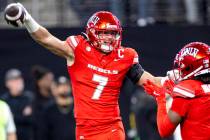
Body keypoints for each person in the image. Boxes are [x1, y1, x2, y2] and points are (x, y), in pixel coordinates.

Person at [4, 3, 167, 140]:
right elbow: (47, 39)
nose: (109, 38)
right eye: (104, 33)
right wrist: (27, 19)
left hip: (111, 128)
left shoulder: (125, 56)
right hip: (85, 130)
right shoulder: (78, 48)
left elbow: (150, 81)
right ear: (92, 32)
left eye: (112, 34)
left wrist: (175, 78)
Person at [143, 42, 210, 140]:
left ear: (193, 68)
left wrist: (160, 98)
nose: (181, 71)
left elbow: (164, 130)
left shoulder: (187, 90)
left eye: (184, 68)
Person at [1, 68, 34, 140]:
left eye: (20, 79)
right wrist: (22, 116)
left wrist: (14, 116)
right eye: (15, 80)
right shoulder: (4, 100)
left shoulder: (30, 97)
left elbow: (33, 119)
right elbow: (8, 121)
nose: (19, 82)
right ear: (7, 83)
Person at [41, 76, 75, 140]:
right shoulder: (49, 109)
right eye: (60, 86)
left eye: (66, 85)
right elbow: (44, 132)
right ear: (55, 89)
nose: (64, 88)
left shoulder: (78, 106)